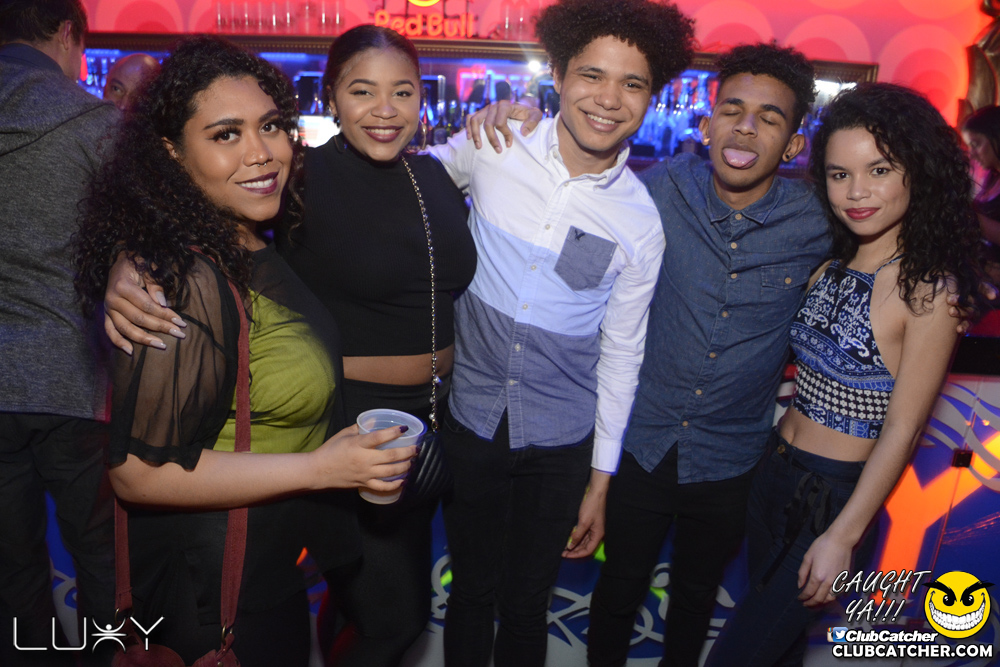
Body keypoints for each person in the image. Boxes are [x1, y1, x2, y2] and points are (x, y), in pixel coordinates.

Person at [98, 25, 476, 667]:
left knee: (357, 604)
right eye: (363, 90)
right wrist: (127, 262)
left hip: (423, 424)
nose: (258, 152)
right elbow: (137, 470)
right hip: (336, 433)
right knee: (393, 616)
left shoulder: (428, 176)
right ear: (330, 98)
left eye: (269, 126)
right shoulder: (294, 183)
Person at [425, 1, 694, 665]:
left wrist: (601, 480)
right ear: (558, 73)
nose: (608, 99)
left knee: (526, 605)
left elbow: (622, 353)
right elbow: (401, 191)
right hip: (471, 421)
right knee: (470, 593)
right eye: (592, 75)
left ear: (651, 96)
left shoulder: (639, 222)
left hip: (561, 443)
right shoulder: (493, 146)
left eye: (632, 84)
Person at [705, 82, 986, 667]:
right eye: (839, 174)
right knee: (777, 653)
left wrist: (843, 535)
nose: (856, 192)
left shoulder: (931, 292)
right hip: (773, 472)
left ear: (918, 172)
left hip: (833, 500)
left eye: (878, 170)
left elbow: (903, 430)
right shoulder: (832, 258)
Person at [0, 1, 117, 663]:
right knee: (101, 554)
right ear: (70, 33)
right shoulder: (95, 122)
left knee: (13, 567)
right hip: (74, 375)